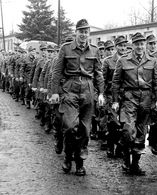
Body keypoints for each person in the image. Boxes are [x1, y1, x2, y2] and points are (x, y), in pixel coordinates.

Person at [50, 19, 105, 176]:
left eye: (86, 32)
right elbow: (57, 71)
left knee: (85, 129)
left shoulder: (94, 50)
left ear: (89, 34)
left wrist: (100, 93)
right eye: (81, 31)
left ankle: (80, 162)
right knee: (69, 127)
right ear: (76, 32)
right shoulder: (65, 48)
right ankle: (68, 157)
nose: (83, 35)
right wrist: (55, 92)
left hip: (88, 90)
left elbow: (99, 73)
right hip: (70, 90)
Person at [112, 32, 157, 175]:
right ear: (132, 45)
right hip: (129, 98)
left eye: (142, 44)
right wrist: (115, 101)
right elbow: (116, 83)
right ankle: (126, 158)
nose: (140, 47)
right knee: (128, 130)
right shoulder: (123, 60)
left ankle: (135, 164)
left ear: (144, 44)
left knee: (141, 132)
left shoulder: (152, 61)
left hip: (146, 99)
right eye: (137, 44)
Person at [102, 35, 128, 158]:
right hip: (111, 95)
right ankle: (110, 145)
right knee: (113, 121)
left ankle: (120, 147)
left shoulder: (129, 60)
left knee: (124, 123)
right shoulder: (107, 61)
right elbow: (102, 79)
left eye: (124, 45)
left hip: (126, 95)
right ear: (116, 46)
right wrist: (102, 94)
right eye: (120, 45)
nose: (123, 48)